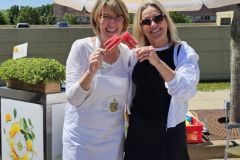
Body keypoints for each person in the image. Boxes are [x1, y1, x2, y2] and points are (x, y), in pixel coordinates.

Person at [124, 1, 200, 160]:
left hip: (169, 134)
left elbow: (186, 90)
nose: (153, 25)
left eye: (158, 18)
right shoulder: (135, 53)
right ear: (141, 27)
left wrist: (157, 62)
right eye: (146, 21)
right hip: (138, 131)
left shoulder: (182, 51)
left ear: (166, 20)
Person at [62, 0, 131, 160]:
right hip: (81, 141)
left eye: (118, 17)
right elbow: (72, 99)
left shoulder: (127, 53)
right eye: (106, 16)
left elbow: (129, 100)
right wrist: (90, 71)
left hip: (112, 142)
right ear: (96, 20)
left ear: (124, 22)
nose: (112, 23)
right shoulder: (81, 47)